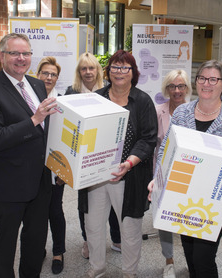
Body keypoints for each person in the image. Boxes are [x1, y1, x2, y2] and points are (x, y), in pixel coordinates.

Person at [150, 60, 222, 278]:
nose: (207, 83)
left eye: (214, 79)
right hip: (183, 196)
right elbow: (166, 147)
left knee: (204, 260)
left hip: (213, 202)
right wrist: (157, 178)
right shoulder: (183, 112)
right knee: (191, 255)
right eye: (202, 78)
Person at [0, 33, 57, 277]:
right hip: (7, 183)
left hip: (40, 179)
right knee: (6, 243)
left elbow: (46, 132)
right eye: (14, 53)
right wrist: (35, 119)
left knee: (35, 241)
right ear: (2, 56)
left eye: (26, 53)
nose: (21, 58)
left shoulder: (37, 84)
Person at [80, 50, 157, 278]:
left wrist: (129, 162)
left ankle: (129, 273)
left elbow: (148, 138)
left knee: (130, 228)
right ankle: (97, 267)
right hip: (96, 175)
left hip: (130, 175)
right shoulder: (97, 97)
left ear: (133, 73)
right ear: (108, 71)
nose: (119, 72)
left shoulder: (142, 101)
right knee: (93, 225)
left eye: (125, 67)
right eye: (115, 66)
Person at [65, 52, 122, 260]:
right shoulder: (71, 92)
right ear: (79, 72)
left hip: (106, 153)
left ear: (98, 70)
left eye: (92, 68)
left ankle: (116, 238)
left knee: (113, 199)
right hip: (83, 156)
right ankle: (87, 240)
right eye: (83, 69)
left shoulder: (109, 91)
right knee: (85, 204)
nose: (88, 72)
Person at [153, 69, 192, 278]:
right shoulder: (158, 111)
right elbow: (155, 145)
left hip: (187, 172)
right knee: (164, 219)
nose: (177, 91)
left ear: (187, 88)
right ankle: (169, 260)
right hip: (163, 172)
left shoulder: (195, 110)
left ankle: (191, 259)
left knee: (188, 216)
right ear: (166, 89)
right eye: (172, 86)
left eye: (181, 86)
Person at [36, 56, 65, 274]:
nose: (48, 77)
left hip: (55, 167)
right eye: (45, 73)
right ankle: (38, 249)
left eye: (53, 74)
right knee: (35, 212)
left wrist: (63, 170)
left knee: (55, 210)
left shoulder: (62, 102)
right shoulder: (27, 99)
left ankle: (58, 252)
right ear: (37, 75)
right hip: (31, 167)